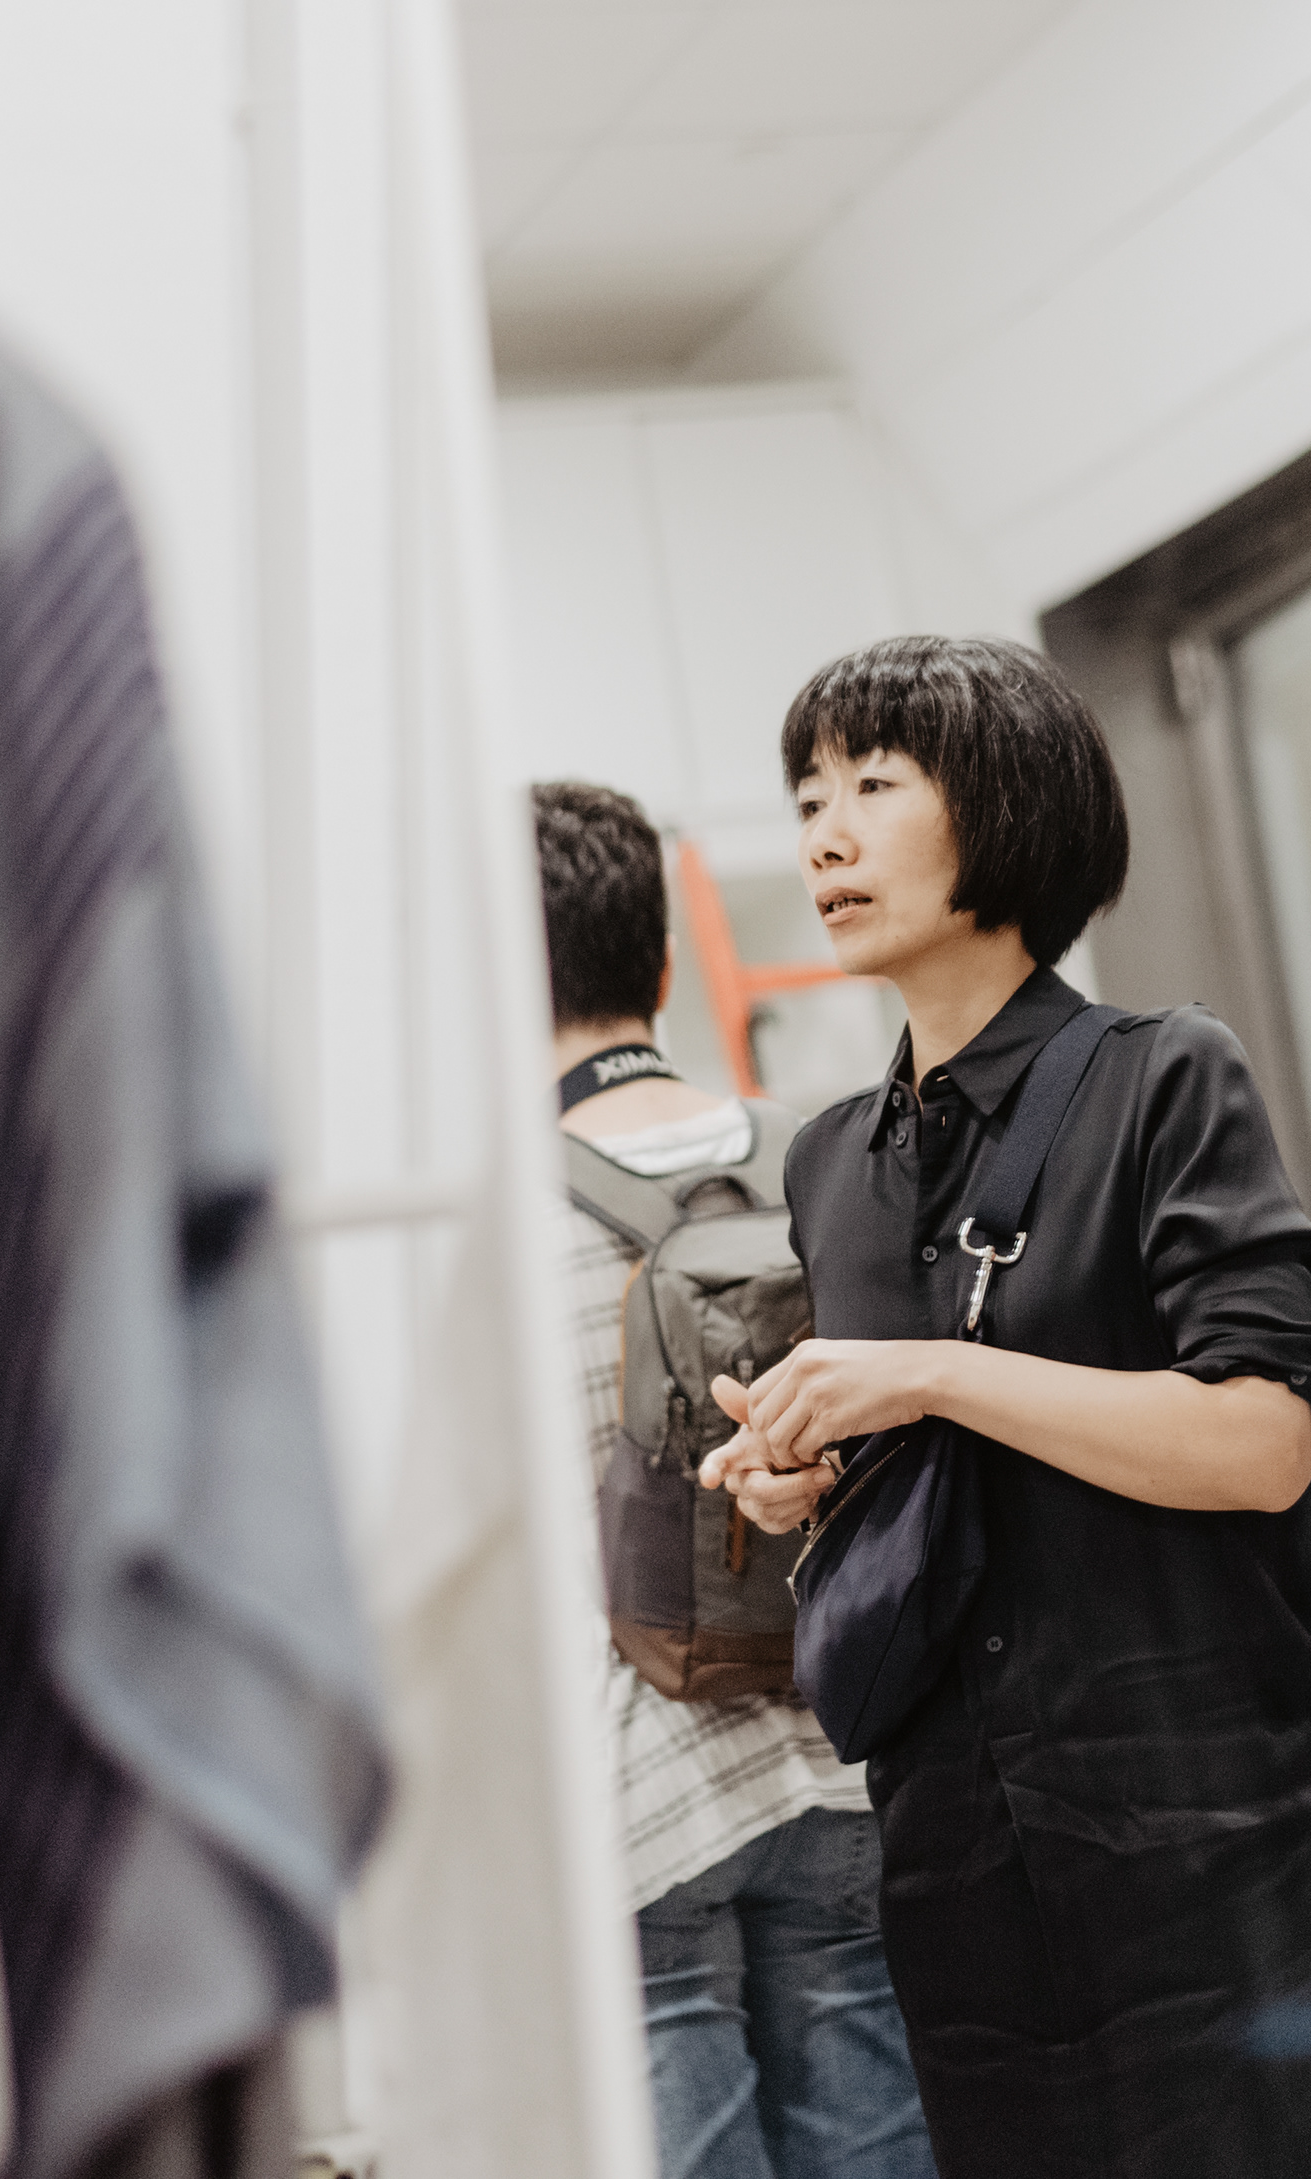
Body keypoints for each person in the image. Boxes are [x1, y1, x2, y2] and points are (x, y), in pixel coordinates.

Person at [698, 636, 1311, 2179]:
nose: (824, 837)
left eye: (874, 787)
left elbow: (1263, 1442)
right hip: (958, 1882)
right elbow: (945, 1482)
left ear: (1006, 804)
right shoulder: (827, 1164)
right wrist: (809, 1479)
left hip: (1217, 1860)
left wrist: (927, 1373)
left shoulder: (1165, 1079)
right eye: (808, 799)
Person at [532, 782, 936, 2179]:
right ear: (657, 962)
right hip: (840, 1752)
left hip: (635, 1798)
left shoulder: (503, 1212)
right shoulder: (817, 1157)